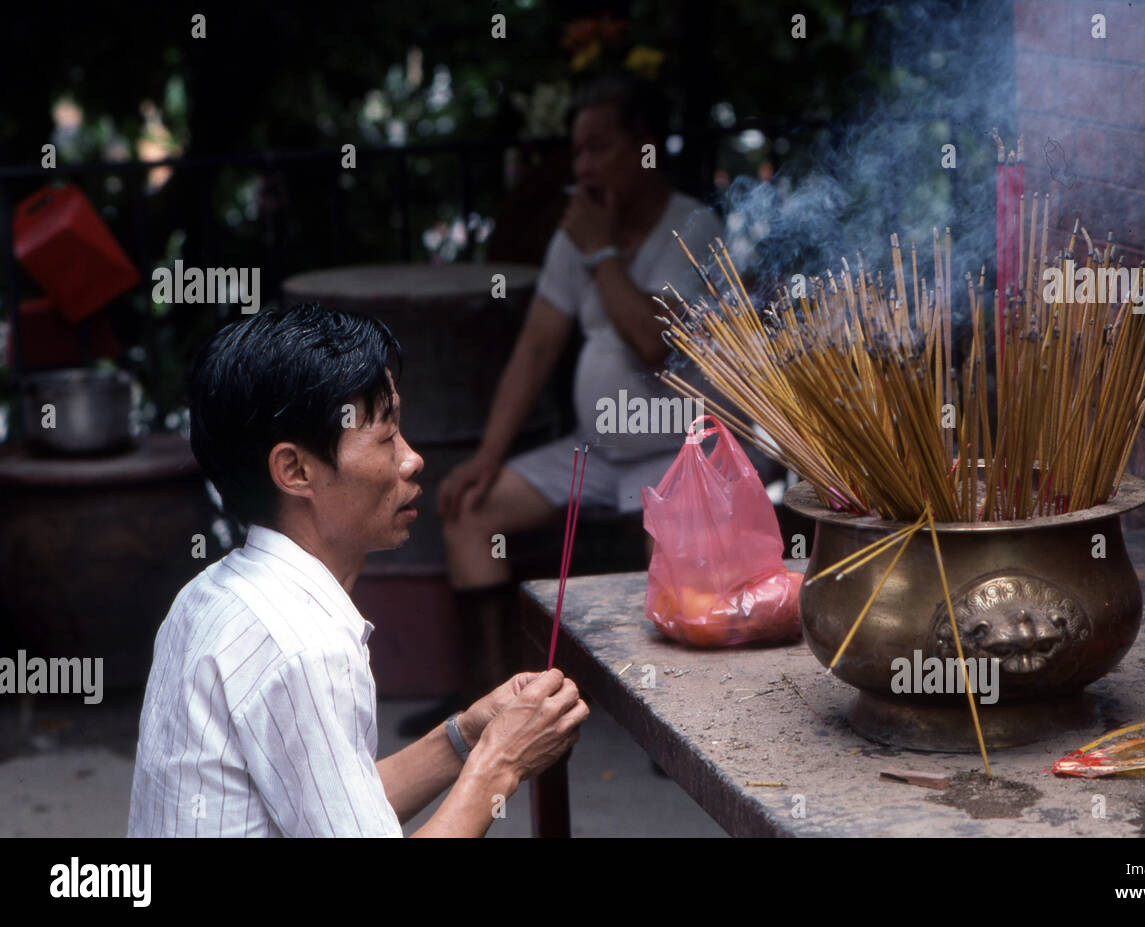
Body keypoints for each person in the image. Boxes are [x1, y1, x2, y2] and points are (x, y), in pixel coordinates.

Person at [128, 304, 588, 837]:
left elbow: (340, 806)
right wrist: (503, 763)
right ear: (296, 470)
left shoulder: (208, 596)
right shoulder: (306, 647)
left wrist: (467, 735)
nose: (411, 459)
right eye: (387, 438)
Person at [436, 74, 724, 689]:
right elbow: (537, 346)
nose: (583, 166)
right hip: (594, 453)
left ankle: (681, 718)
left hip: (674, 452)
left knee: (673, 554)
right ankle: (491, 704)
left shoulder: (693, 228)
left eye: (599, 148)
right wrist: (488, 456)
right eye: (577, 151)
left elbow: (654, 343)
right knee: (469, 512)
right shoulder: (583, 234)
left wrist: (600, 254)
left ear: (647, 147)